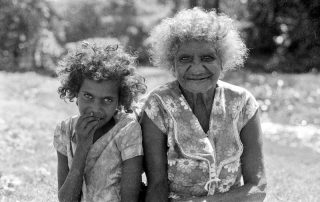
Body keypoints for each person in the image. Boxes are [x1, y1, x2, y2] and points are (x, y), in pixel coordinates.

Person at [141, 7, 267, 202]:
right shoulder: (157, 105)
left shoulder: (242, 103)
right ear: (172, 64)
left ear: (223, 60)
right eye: (185, 59)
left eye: (207, 58)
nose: (197, 68)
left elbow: (257, 187)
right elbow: (157, 185)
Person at [53, 41, 146, 202]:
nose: (96, 108)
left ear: (120, 101)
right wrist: (82, 146)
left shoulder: (127, 130)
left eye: (108, 100)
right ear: (76, 92)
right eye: (88, 96)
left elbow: (130, 198)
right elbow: (66, 199)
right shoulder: (65, 130)